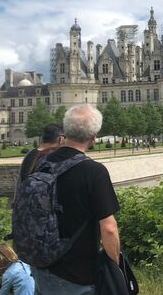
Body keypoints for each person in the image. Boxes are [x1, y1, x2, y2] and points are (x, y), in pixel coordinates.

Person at [29, 104, 120, 295]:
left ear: (65, 131)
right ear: (94, 135)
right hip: (77, 275)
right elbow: (109, 228)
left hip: (41, 268)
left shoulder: (42, 164)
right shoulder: (94, 171)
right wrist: (116, 269)